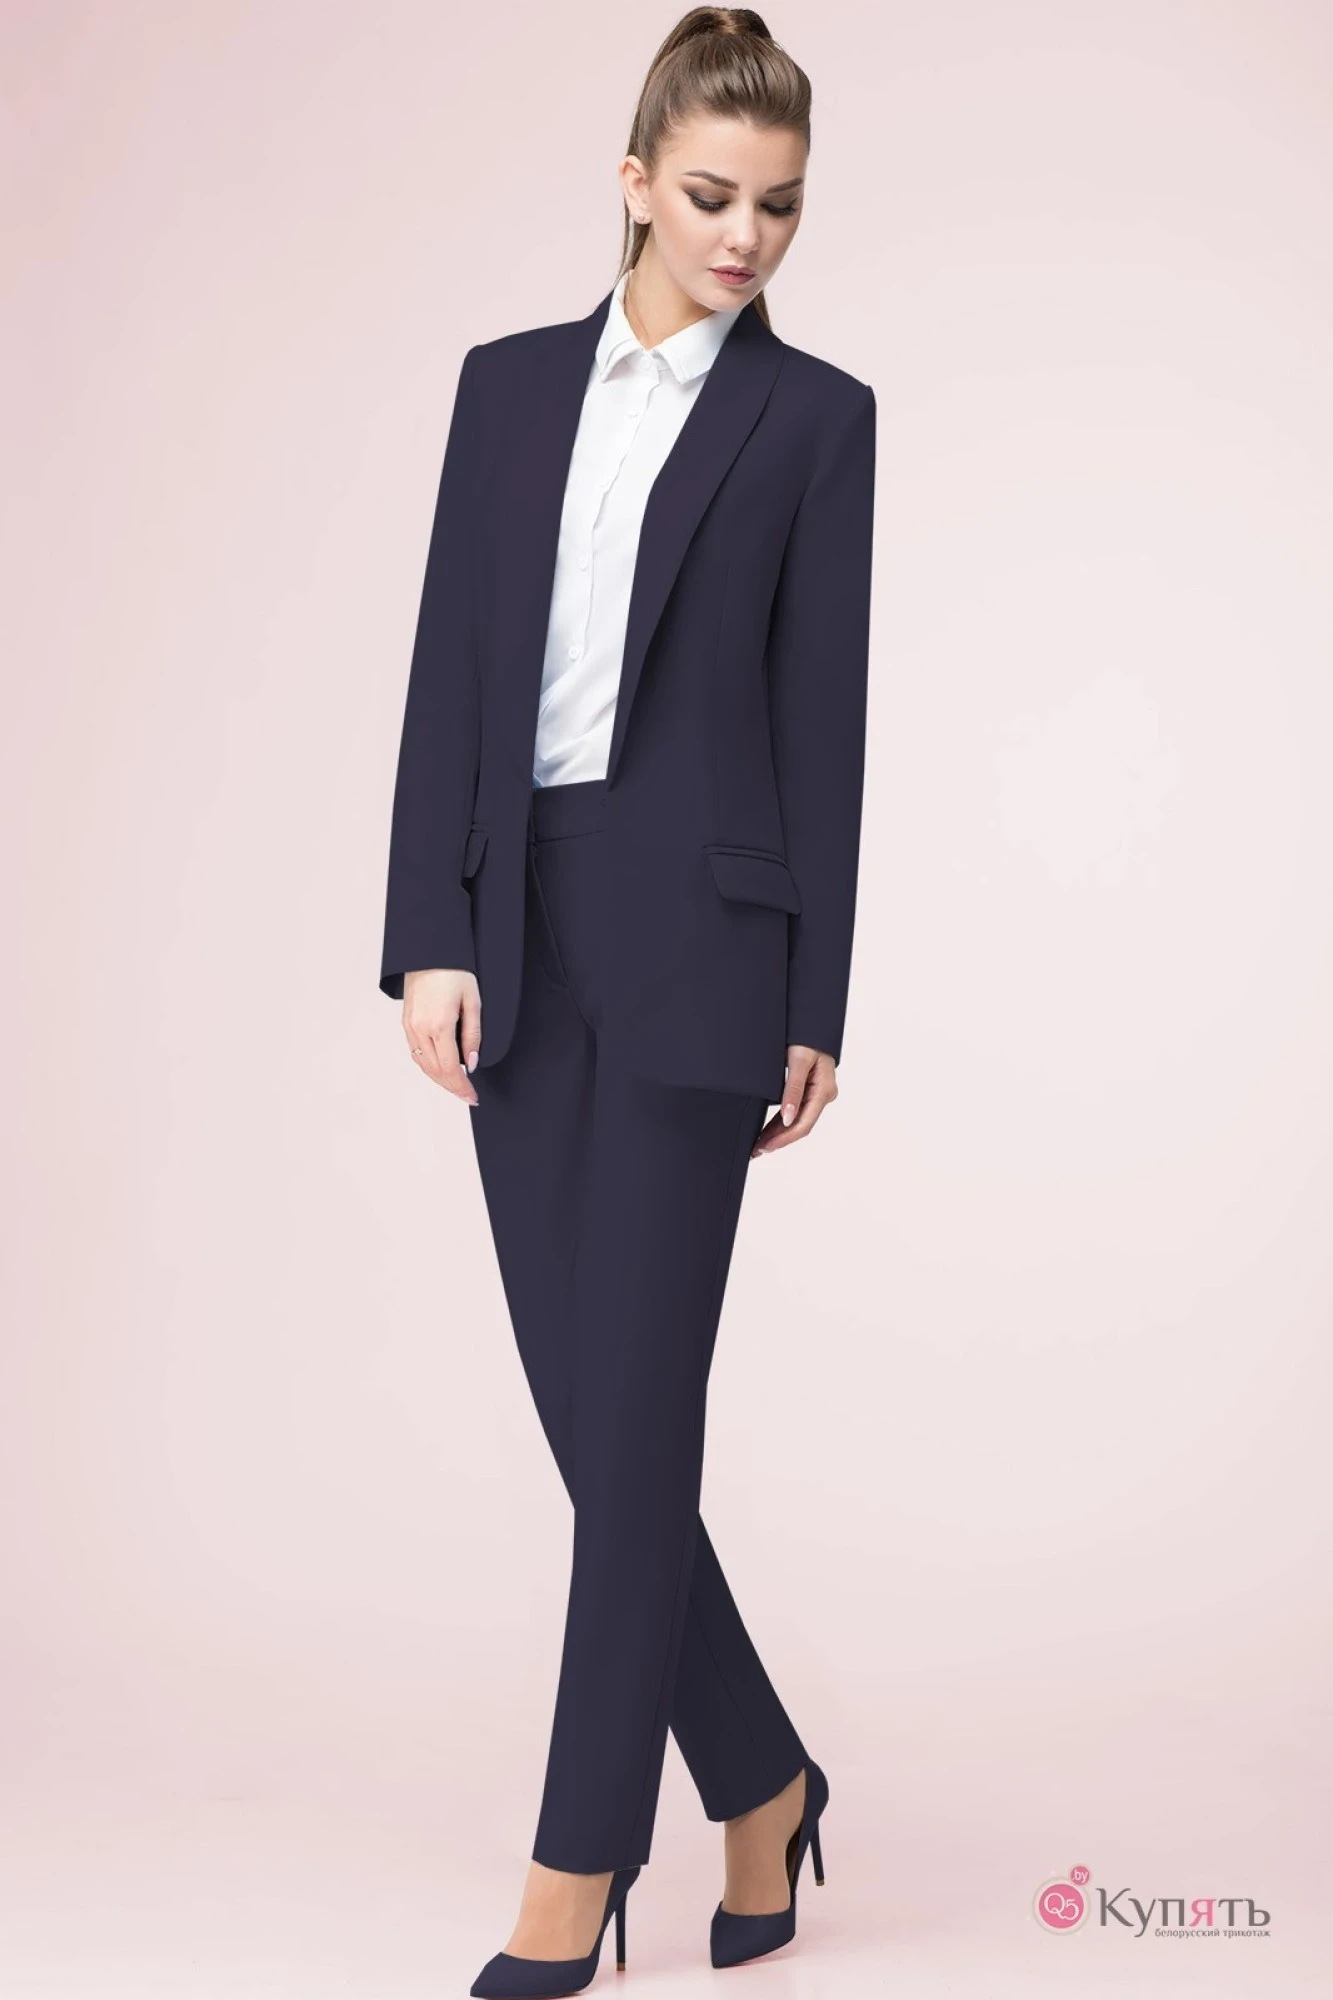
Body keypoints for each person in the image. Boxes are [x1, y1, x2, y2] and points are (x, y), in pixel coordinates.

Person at [378, 9, 876, 1994]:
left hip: (703, 954)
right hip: (518, 934)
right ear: (634, 179)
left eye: (782, 207)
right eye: (713, 195)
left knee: (640, 1417)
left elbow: (823, 720)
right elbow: (450, 667)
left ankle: (579, 1864)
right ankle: (760, 1777)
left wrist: (817, 991)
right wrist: (428, 926)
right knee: (599, 1423)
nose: (746, 236)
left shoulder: (815, 420)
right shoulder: (505, 392)